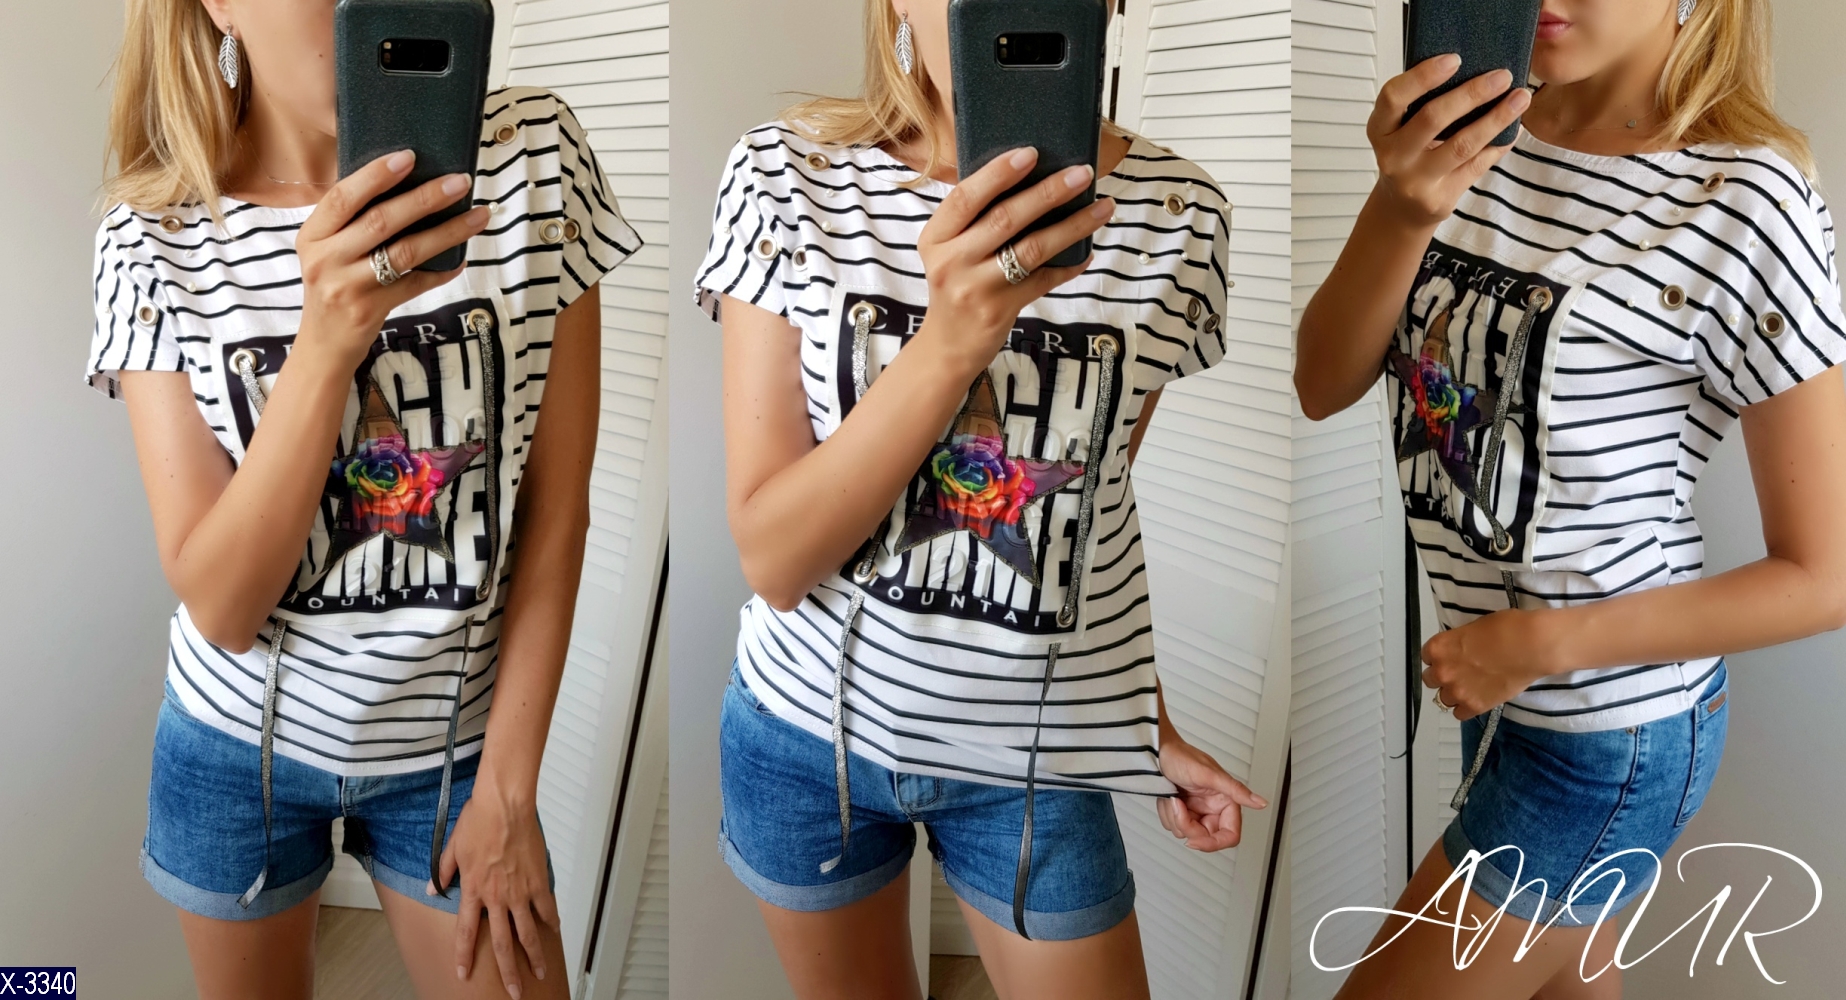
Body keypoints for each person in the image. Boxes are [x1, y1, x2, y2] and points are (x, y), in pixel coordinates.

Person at [695, 1, 1268, 997]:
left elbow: (1084, 519)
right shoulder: (786, 175)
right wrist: (952, 340)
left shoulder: (1179, 213)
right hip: (803, 743)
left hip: (1040, 757)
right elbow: (774, 561)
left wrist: (1145, 724)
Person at [1297, 1, 1846, 996]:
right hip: (1500, 687)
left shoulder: (1744, 196)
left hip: (1607, 728)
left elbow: (1825, 575)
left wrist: (1535, 645)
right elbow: (1322, 382)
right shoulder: (1471, 133)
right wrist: (1402, 205)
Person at [92, 1, 637, 997]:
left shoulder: (534, 155)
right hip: (236, 752)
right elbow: (223, 607)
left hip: (459, 752)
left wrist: (510, 789)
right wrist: (327, 336)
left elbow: (557, 511)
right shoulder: (153, 239)